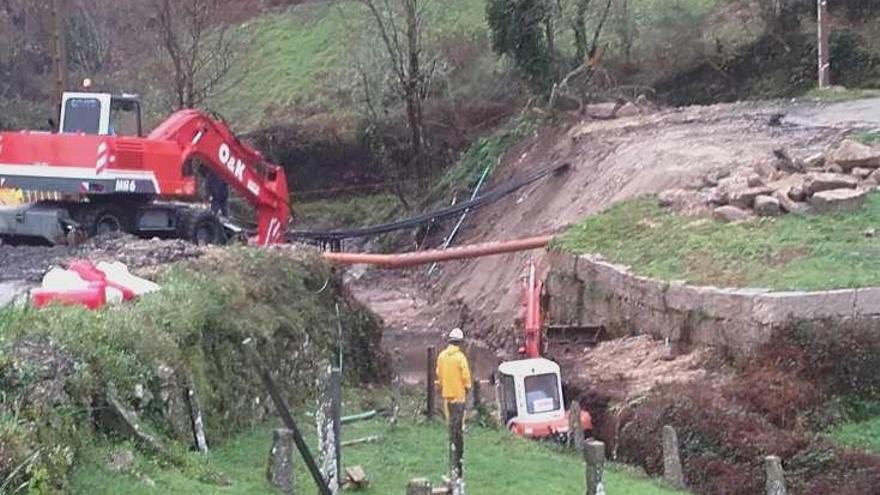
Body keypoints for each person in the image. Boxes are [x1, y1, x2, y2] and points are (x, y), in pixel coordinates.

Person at [435, 327, 471, 481]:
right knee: (459, 434)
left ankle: (452, 468)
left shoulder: (442, 356)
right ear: (460, 343)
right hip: (459, 399)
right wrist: (467, 388)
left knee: (451, 432)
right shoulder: (460, 358)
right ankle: (458, 470)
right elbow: (466, 378)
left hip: (447, 399)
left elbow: (439, 376)